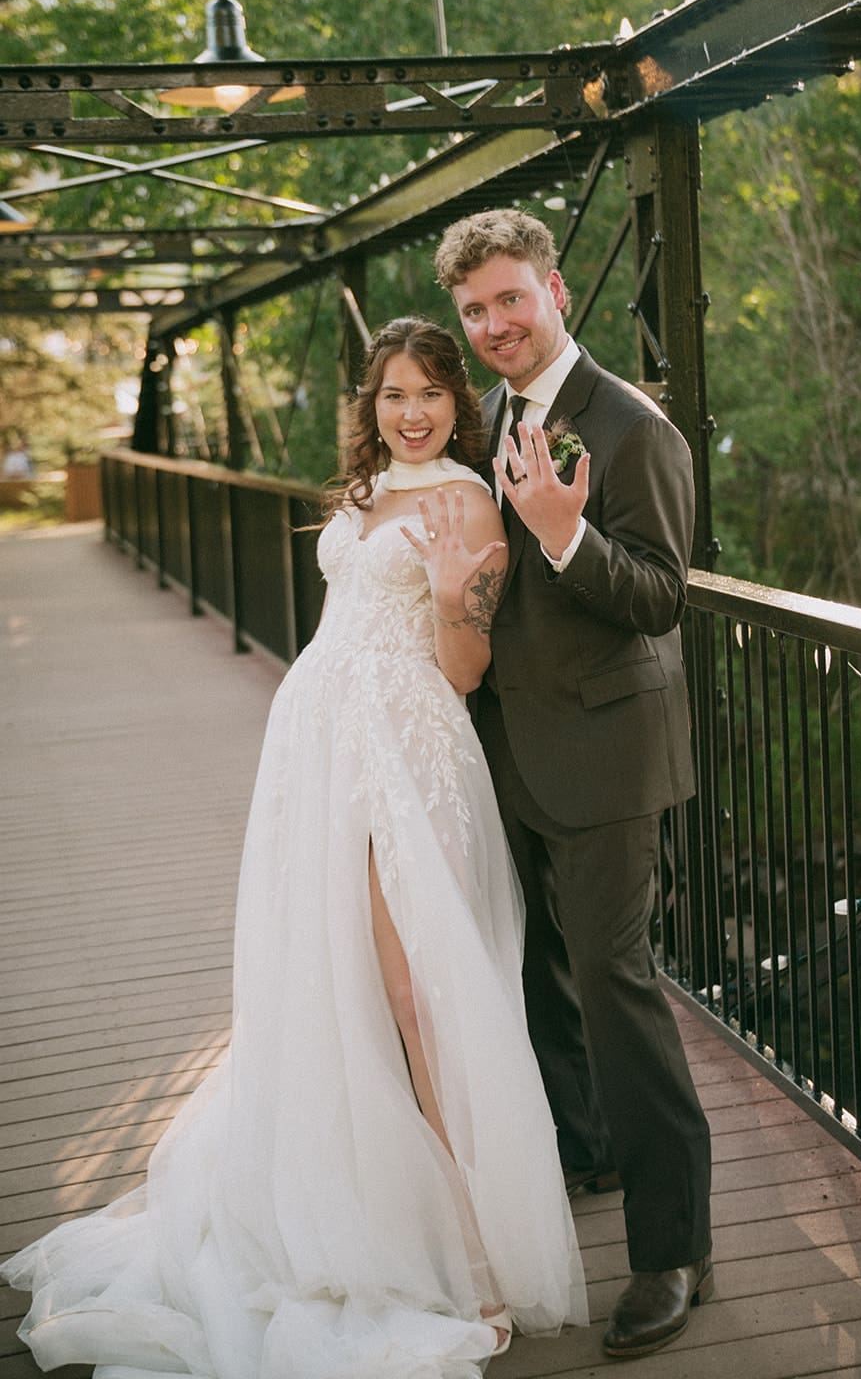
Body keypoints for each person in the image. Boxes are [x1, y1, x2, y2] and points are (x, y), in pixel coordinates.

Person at [2, 317, 586, 1379]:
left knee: (423, 996)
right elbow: (337, 626)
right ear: (370, 404)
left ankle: (471, 1249)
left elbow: (461, 669)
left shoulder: (465, 502)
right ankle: (360, 1196)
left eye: (429, 394)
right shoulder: (361, 497)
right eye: (391, 394)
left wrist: (459, 598)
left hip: (410, 751)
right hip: (318, 741)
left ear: (458, 401)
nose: (409, 412)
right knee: (334, 975)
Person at [435, 210, 712, 1361]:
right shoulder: (490, 415)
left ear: (554, 288)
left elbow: (659, 595)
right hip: (514, 746)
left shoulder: (631, 425)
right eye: (474, 312)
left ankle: (674, 1251)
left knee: (615, 982)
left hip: (606, 754)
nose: (495, 324)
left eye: (510, 299)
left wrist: (563, 536)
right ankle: (586, 1145)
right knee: (536, 971)